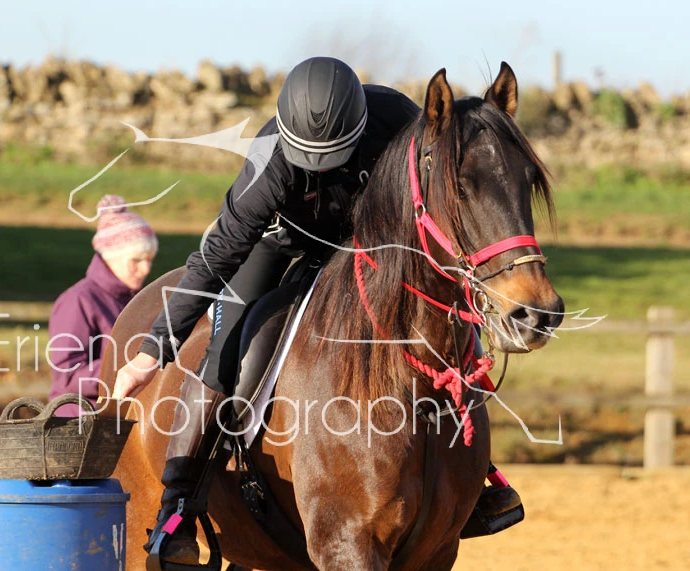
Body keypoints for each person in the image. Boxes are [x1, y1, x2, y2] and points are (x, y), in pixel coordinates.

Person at [112, 57, 520, 565]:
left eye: (334, 156)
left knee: (444, 316)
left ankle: (472, 477)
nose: (321, 168)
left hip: (367, 244)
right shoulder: (270, 161)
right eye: (310, 159)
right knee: (229, 342)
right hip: (278, 243)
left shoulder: (399, 121)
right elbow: (217, 257)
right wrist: (153, 351)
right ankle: (179, 501)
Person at [48, 194, 157, 416]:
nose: (146, 269)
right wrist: (133, 365)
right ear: (111, 257)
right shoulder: (78, 301)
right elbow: (68, 376)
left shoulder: (139, 301)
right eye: (136, 260)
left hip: (120, 418)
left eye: (149, 259)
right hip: (79, 422)